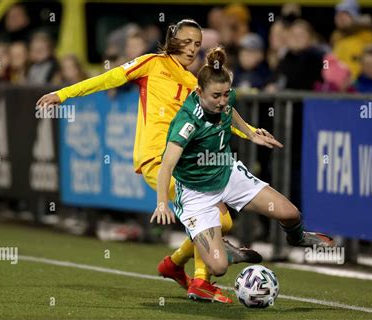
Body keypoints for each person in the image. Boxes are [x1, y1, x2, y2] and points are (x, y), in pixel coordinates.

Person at [36, 19, 275, 303]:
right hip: (157, 160)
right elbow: (107, 78)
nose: (192, 49)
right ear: (173, 39)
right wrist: (63, 94)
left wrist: (250, 133)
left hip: (184, 162)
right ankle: (198, 279)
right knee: (218, 217)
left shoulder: (194, 82)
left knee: (219, 219)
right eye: (186, 42)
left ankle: (176, 265)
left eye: (197, 44)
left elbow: (221, 114)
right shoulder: (152, 63)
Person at [150, 47, 335, 301]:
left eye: (226, 93)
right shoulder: (187, 123)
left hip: (228, 174)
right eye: (216, 95)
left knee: (290, 213)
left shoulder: (224, 99)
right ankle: (227, 252)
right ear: (199, 92)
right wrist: (162, 203)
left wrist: (250, 133)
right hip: (196, 194)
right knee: (218, 268)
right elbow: (167, 166)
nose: (223, 100)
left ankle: (298, 238)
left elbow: (230, 111)